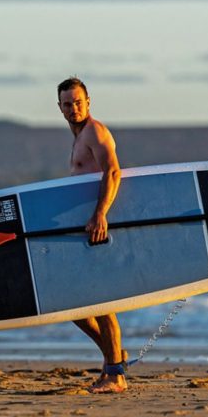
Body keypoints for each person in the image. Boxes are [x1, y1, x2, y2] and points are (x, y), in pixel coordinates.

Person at [57, 77, 127, 393]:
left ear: (89, 102)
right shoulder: (78, 137)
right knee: (74, 305)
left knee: (99, 300)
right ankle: (115, 360)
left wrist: (101, 214)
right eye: (68, 104)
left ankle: (115, 375)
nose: (74, 108)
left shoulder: (95, 132)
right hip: (85, 226)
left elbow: (112, 171)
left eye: (79, 102)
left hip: (96, 225)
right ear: (60, 108)